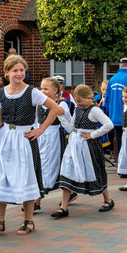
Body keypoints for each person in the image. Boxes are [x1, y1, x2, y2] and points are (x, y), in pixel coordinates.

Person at [0, 56, 63, 236]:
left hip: (25, 138)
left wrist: (41, 129)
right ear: (7, 72)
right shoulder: (1, 93)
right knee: (2, 176)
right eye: (15, 70)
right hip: (6, 138)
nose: (19, 74)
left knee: (27, 177)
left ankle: (29, 221)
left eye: (22, 70)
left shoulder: (32, 92)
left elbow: (55, 108)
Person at [51, 84, 116, 217]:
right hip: (74, 145)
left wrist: (93, 135)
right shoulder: (78, 110)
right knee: (68, 171)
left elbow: (109, 124)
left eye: (80, 101)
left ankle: (108, 199)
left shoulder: (94, 110)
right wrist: (61, 116)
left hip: (89, 145)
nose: (78, 103)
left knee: (96, 171)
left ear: (88, 97)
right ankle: (63, 208)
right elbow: (70, 128)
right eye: (76, 101)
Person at [35, 77, 71, 206]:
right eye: (41, 88)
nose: (42, 91)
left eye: (46, 89)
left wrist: (62, 113)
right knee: (40, 164)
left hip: (54, 136)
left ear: (55, 90)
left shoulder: (61, 104)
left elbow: (68, 122)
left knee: (51, 165)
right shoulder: (38, 104)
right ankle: (70, 193)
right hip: (40, 136)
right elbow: (35, 121)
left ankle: (37, 200)